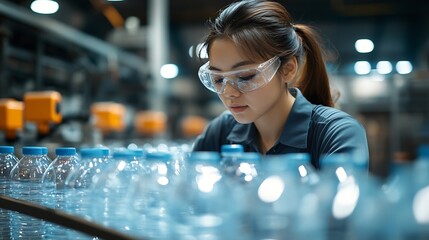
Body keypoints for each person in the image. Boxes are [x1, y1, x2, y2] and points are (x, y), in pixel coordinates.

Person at [192, 0, 369, 169]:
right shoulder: (222, 131)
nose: (229, 92)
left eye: (245, 77)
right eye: (218, 79)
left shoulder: (336, 133)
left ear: (287, 69)